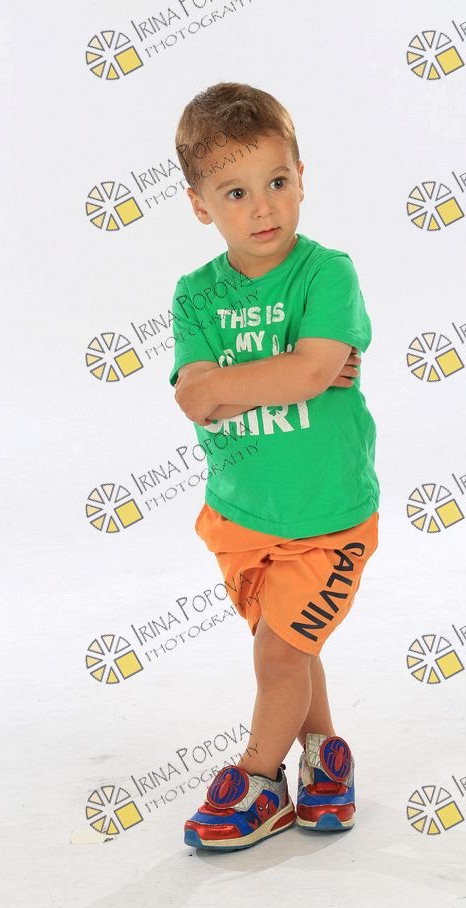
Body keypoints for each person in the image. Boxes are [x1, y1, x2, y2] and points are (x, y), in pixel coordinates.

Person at [169, 82, 380, 852]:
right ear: (201, 206)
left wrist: (264, 379)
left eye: (277, 182)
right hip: (241, 516)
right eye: (235, 192)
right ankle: (326, 757)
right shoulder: (195, 295)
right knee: (291, 645)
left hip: (328, 517)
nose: (263, 208)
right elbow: (193, 397)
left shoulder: (326, 274)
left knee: (280, 652)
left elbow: (309, 370)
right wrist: (287, 373)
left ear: (300, 178)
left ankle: (258, 780)